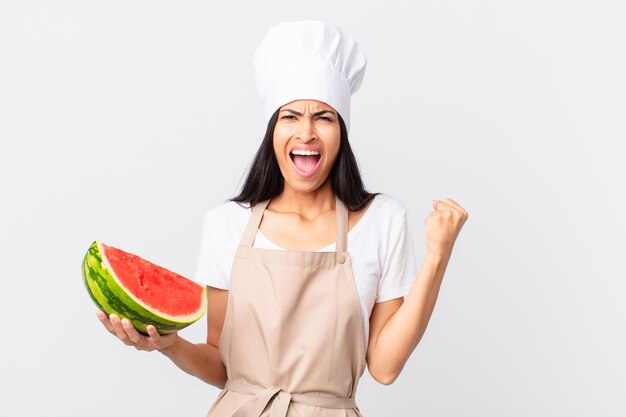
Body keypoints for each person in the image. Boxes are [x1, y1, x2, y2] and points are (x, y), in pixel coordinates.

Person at [96, 20, 468, 417]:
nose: (306, 132)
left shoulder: (383, 220)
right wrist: (169, 345)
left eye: (324, 117)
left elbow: (385, 366)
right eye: (290, 116)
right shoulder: (226, 224)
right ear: (272, 129)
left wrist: (437, 257)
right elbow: (222, 366)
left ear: (341, 132)